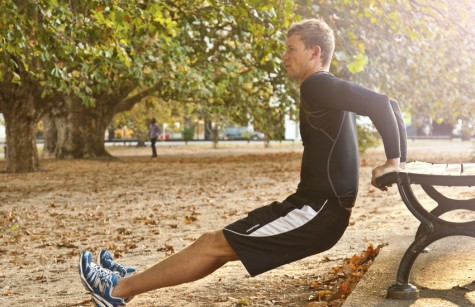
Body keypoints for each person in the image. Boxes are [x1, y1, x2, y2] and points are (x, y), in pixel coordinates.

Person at [78, 18, 407, 306]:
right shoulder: (325, 88)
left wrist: (393, 160)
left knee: (214, 245)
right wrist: (399, 160)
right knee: (215, 246)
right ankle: (127, 286)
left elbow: (380, 103)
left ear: (315, 52)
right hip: (309, 207)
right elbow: (389, 104)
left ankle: (118, 289)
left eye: (292, 49)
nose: (285, 56)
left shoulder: (318, 84)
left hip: (316, 212)